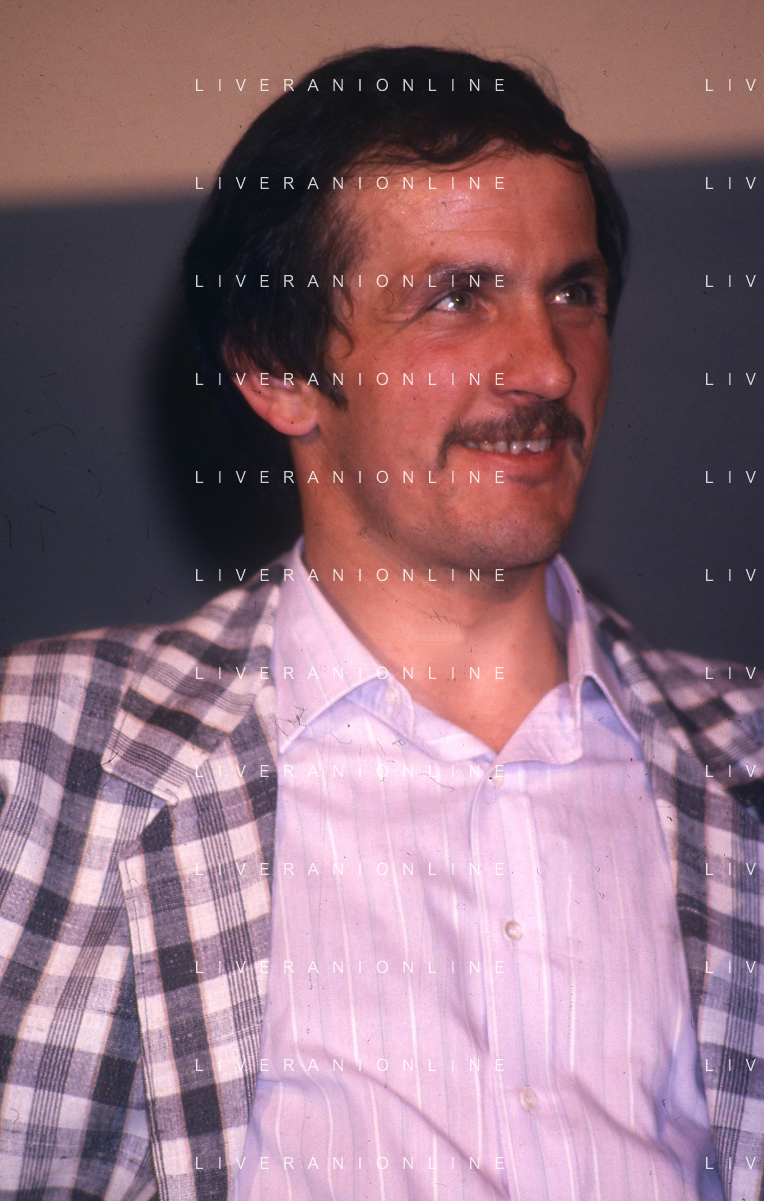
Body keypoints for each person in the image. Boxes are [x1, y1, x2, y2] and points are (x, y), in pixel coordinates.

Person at [0, 44, 762, 1201]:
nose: (546, 366)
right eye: (456, 297)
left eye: (572, 292)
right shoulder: (44, 763)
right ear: (276, 371)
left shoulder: (741, 762)